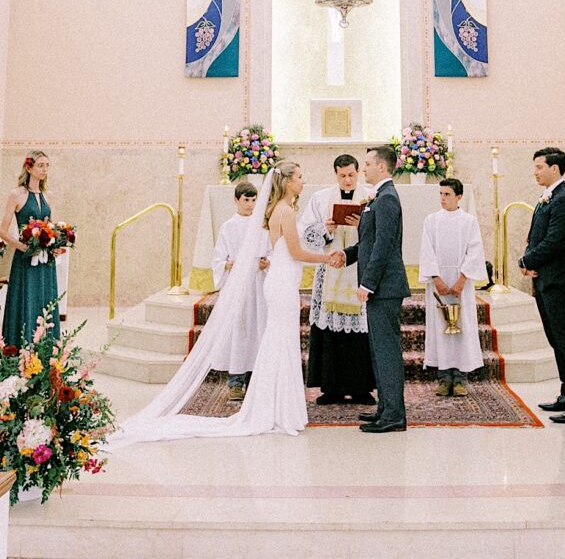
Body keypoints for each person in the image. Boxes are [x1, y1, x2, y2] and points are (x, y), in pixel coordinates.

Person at [109, 162, 341, 444]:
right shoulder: (286, 210)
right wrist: (327, 258)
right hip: (282, 283)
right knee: (280, 343)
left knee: (278, 343)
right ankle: (276, 408)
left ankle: (278, 406)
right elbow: (295, 251)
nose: (304, 182)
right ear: (288, 182)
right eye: (300, 177)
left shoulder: (275, 209)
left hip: (279, 280)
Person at [337, 145, 410, 433]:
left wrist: (367, 283)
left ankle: (394, 415)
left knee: (387, 352)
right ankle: (385, 408)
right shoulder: (379, 198)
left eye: (367, 164)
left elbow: (383, 246)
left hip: (385, 287)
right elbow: (368, 242)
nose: (363, 168)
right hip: (381, 286)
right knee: (379, 352)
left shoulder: (388, 198)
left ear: (382, 167)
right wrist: (345, 255)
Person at [522, 147, 565, 424]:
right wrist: (531, 259)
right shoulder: (548, 197)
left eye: (539, 166)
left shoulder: (563, 199)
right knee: (555, 339)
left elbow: (555, 240)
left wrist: (527, 259)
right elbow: (537, 235)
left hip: (558, 280)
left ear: (555, 168)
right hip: (545, 279)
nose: (535, 171)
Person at [301, 153, 376, 405]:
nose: (347, 180)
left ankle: (360, 388)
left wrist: (361, 224)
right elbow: (305, 235)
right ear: (335, 174)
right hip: (330, 268)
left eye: (351, 175)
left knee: (359, 332)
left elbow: (378, 233)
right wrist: (326, 229)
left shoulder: (370, 197)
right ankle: (330, 388)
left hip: (357, 269)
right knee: (329, 330)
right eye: (342, 176)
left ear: (358, 173)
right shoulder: (320, 198)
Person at [420, 177, 486, 396]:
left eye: (447, 194)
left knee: (461, 328)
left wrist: (462, 279)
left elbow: (474, 251)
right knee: (440, 328)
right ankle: (443, 376)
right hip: (438, 283)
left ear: (459, 197)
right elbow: (427, 251)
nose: (442, 198)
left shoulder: (468, 221)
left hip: (461, 283)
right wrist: (436, 279)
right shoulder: (431, 220)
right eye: (440, 194)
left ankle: (460, 378)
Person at [211, 181, 268, 399]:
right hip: (237, 286)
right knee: (238, 331)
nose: (250, 205)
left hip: (257, 285)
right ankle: (235, 381)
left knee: (257, 330)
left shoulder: (262, 225)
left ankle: (254, 381)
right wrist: (229, 264)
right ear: (236, 200)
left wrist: (267, 262)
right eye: (246, 200)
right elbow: (218, 259)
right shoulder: (229, 227)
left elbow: (271, 251)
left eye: (254, 200)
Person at [1, 150, 59, 346]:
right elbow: (3, 231)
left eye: (47, 166)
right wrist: (23, 247)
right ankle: (21, 347)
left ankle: (47, 348)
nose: (45, 170)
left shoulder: (48, 195)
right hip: (26, 259)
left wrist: (56, 244)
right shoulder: (16, 194)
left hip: (46, 260)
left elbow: (51, 226)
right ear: (29, 167)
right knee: (26, 300)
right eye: (41, 165)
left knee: (45, 299)